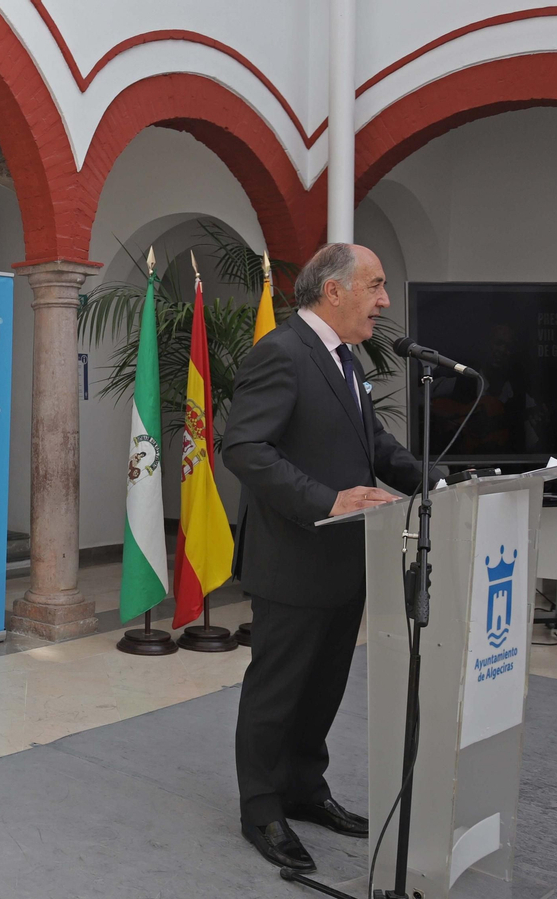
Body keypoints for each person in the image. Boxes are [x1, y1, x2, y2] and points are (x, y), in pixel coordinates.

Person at [222, 243, 435, 873]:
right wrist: (327, 500)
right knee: (277, 692)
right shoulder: (280, 353)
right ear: (333, 290)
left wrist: (436, 481)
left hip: (345, 562)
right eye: (374, 286)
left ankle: (306, 790)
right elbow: (245, 448)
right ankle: (261, 808)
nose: (384, 300)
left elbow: (372, 443)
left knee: (322, 691)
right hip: (292, 560)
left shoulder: (346, 361)